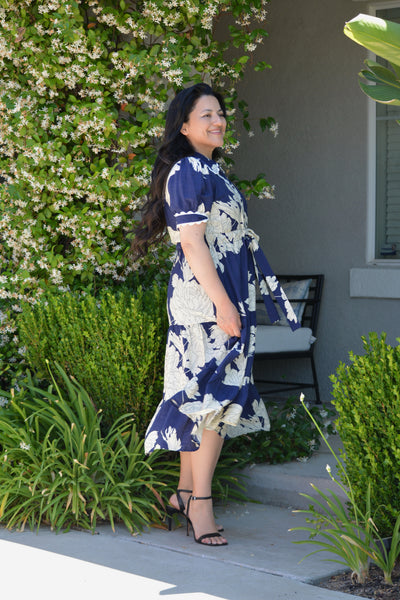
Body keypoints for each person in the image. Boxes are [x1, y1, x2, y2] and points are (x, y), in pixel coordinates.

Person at [131, 83, 300, 547]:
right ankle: (200, 505)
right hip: (207, 303)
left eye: (220, 113)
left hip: (225, 297)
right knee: (214, 400)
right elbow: (191, 242)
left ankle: (185, 494)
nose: (218, 120)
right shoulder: (188, 169)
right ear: (184, 127)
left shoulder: (211, 170)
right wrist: (224, 304)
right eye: (206, 114)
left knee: (204, 399)